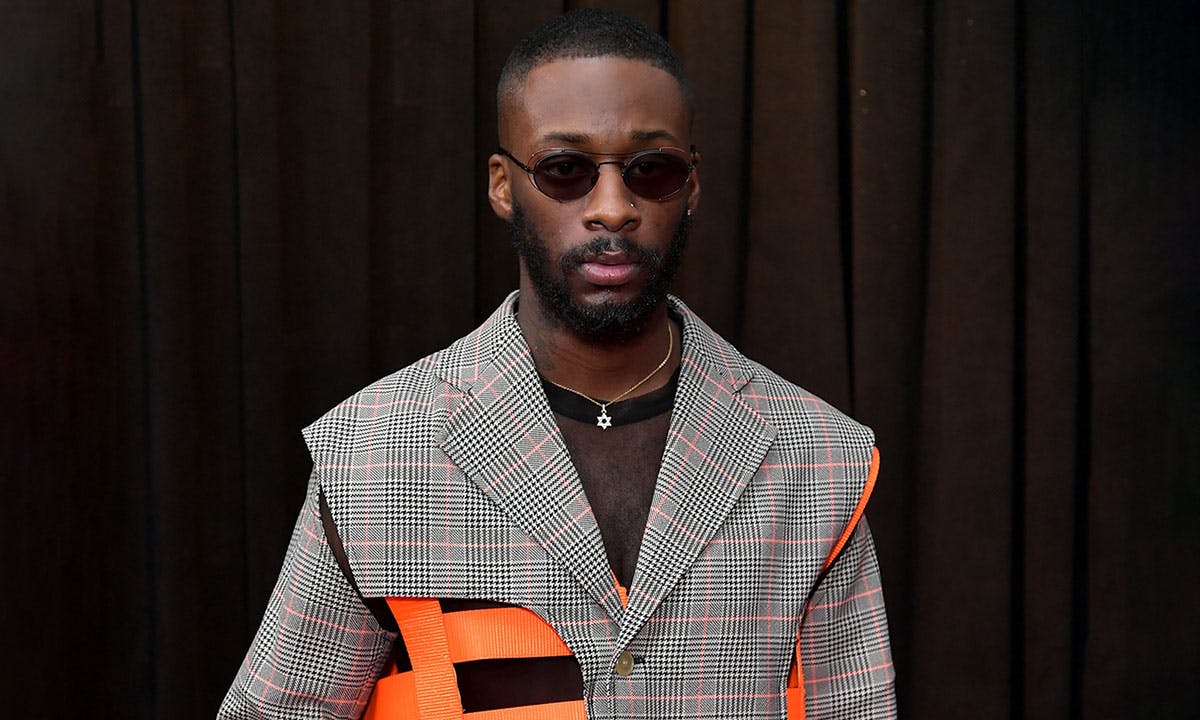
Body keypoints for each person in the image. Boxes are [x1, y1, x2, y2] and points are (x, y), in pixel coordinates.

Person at [219, 9, 895, 719]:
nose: (612, 208)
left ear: (691, 185)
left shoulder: (820, 456)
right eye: (565, 169)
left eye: (651, 170)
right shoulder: (374, 452)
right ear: (503, 184)